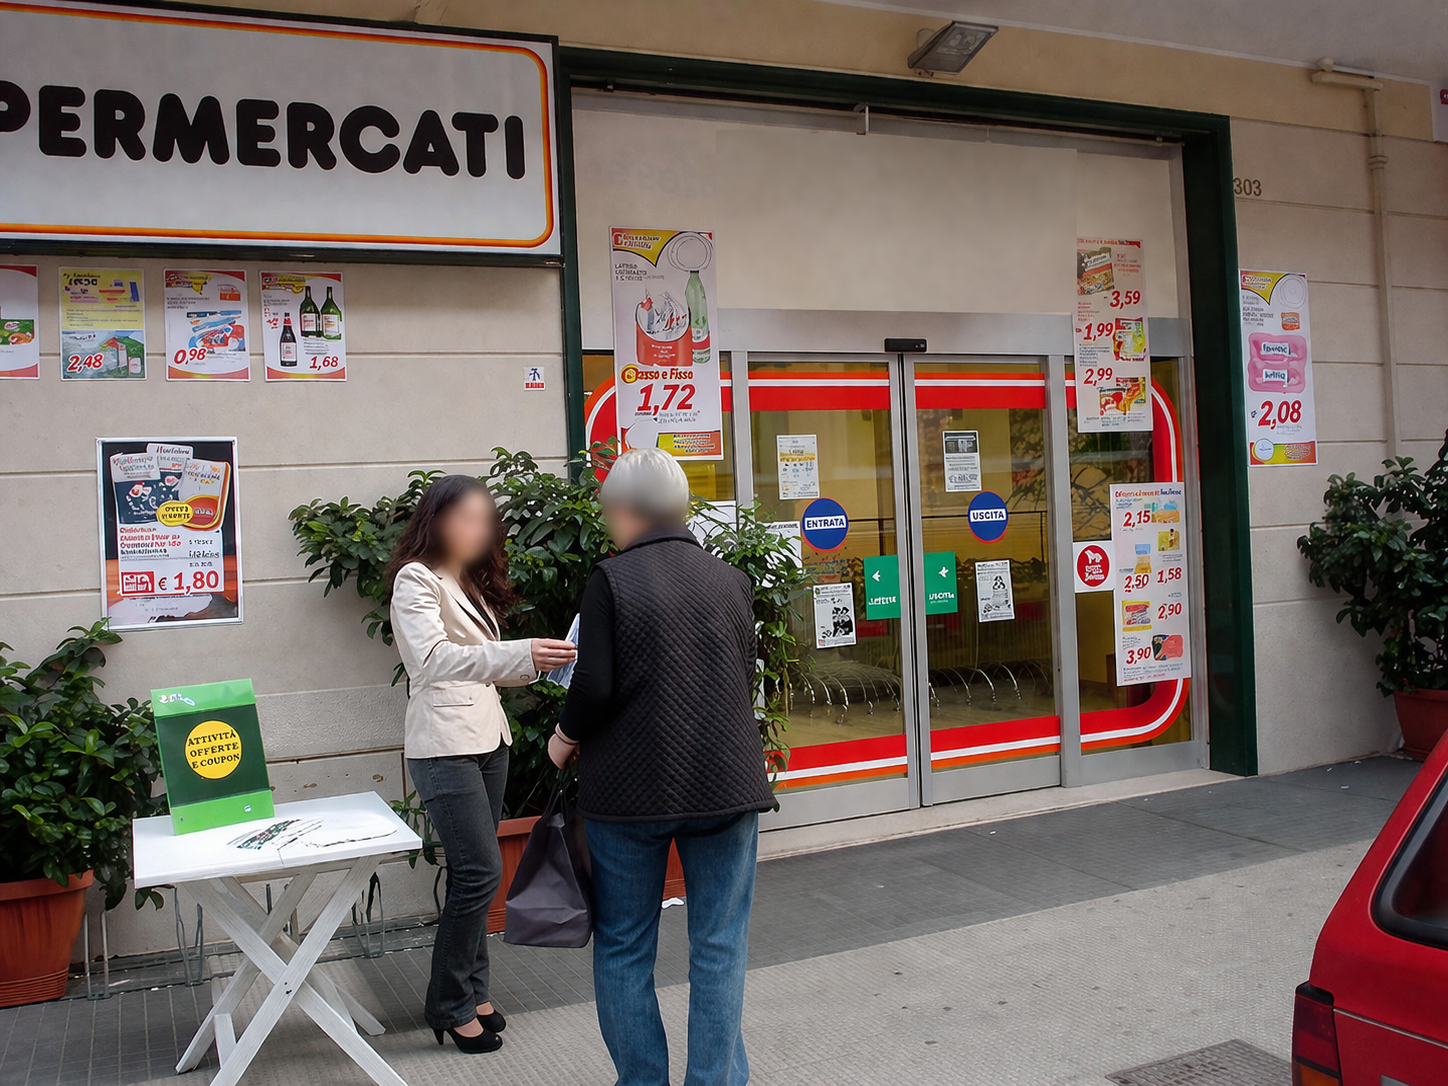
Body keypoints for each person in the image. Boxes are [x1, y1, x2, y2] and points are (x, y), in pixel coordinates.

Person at [550, 448, 774, 1086]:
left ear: (627, 510)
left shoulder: (611, 580)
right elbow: (740, 675)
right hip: (726, 784)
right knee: (720, 946)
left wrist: (562, 739)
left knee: (624, 946)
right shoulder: (731, 580)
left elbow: (592, 685)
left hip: (629, 795)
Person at [386, 474, 576, 1054]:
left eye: (483, 519)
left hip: (488, 738)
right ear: (435, 519)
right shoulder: (415, 578)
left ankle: (474, 992)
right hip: (443, 744)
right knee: (478, 872)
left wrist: (540, 661)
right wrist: (523, 653)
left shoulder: (464, 579)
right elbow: (432, 660)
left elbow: (482, 665)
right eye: (464, 517)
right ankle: (448, 1004)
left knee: (478, 872)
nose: (476, 529)